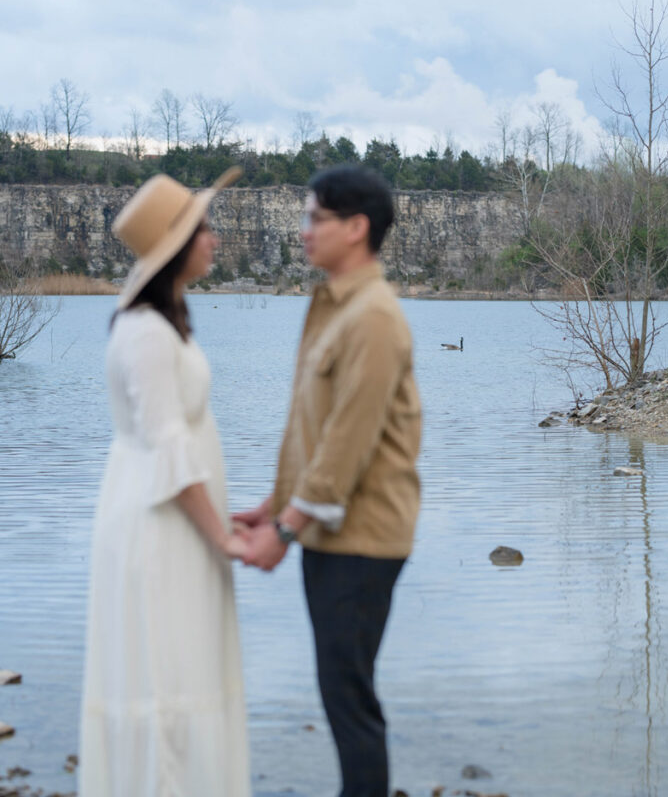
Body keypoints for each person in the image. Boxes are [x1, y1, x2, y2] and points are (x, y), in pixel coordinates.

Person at [236, 164, 421, 797]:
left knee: (350, 704)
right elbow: (310, 428)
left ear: (356, 227)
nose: (304, 230)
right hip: (333, 533)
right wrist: (275, 505)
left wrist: (283, 533)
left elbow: (348, 443)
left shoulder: (371, 316)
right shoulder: (336, 306)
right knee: (343, 695)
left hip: (363, 539)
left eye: (315, 217)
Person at [80, 169, 250, 797]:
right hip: (157, 527)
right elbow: (168, 447)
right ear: (176, 246)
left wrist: (227, 523)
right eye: (203, 229)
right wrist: (224, 538)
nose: (215, 238)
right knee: (166, 677)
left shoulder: (166, 321)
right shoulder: (146, 331)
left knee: (186, 672)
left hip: (178, 522)